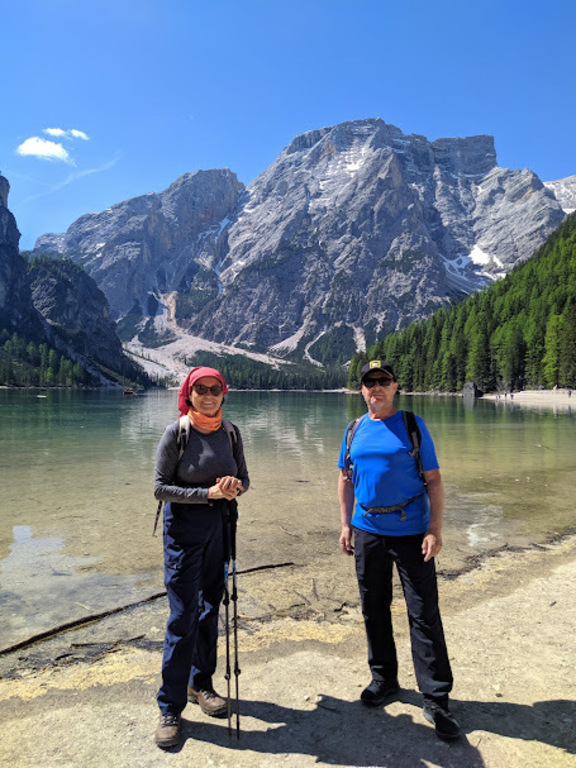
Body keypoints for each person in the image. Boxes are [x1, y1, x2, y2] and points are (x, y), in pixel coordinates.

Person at [337, 360, 460, 741]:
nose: (376, 387)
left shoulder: (412, 425)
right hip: (367, 531)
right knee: (373, 608)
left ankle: (437, 698)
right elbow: (344, 478)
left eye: (383, 381)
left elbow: (435, 481)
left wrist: (435, 529)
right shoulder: (354, 429)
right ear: (361, 390)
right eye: (369, 382)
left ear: (395, 387)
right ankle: (384, 679)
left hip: (411, 533)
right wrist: (345, 524)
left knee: (423, 612)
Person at [153, 366, 250, 748]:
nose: (208, 395)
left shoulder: (231, 433)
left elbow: (244, 479)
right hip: (182, 534)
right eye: (201, 389)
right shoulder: (176, 433)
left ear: (223, 393)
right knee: (182, 616)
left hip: (220, 531)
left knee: (211, 608)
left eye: (215, 389)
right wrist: (207, 494)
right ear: (189, 394)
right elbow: (160, 489)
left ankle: (200, 683)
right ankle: (170, 707)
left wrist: (233, 486)